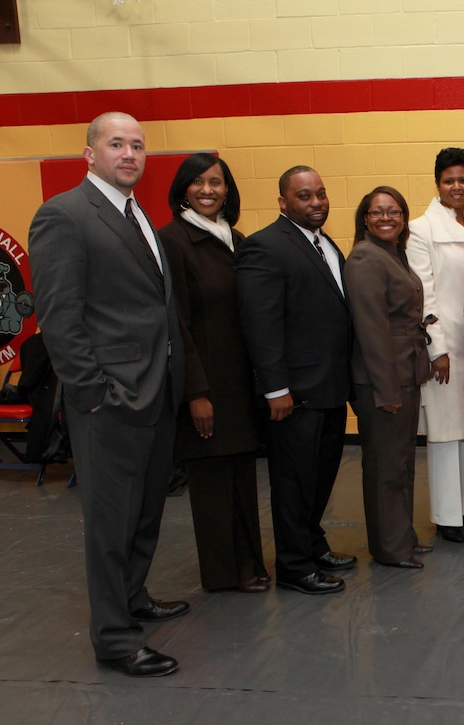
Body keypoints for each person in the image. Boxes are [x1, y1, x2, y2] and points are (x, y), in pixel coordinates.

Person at [29, 112, 186, 677]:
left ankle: (133, 596)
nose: (129, 154)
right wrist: (92, 392)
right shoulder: (64, 215)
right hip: (110, 399)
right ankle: (115, 638)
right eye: (116, 143)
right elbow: (59, 316)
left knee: (144, 511)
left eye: (137, 145)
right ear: (90, 154)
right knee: (111, 522)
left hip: (157, 391)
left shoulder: (140, 214)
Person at [236, 166, 355, 595]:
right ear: (283, 202)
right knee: (294, 482)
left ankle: (312, 545)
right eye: (305, 196)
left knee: (319, 477)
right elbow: (260, 324)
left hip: (330, 388)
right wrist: (276, 389)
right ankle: (293, 566)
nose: (316, 202)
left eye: (321, 193)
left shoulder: (326, 244)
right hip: (294, 394)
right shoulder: (265, 246)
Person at [158, 153, 269, 594]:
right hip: (205, 384)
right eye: (198, 182)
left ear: (228, 190)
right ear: (183, 189)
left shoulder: (235, 239)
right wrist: (195, 392)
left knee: (241, 477)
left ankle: (249, 564)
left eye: (216, 182)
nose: (208, 190)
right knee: (211, 485)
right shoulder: (173, 240)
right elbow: (177, 322)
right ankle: (224, 575)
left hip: (238, 382)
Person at [344, 187, 431, 570]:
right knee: (386, 467)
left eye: (394, 211)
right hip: (384, 379)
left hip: (404, 372)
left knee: (401, 463)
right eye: (377, 212)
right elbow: (371, 329)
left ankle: (400, 537)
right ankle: (390, 549)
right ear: (365, 218)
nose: (386, 218)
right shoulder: (365, 256)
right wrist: (387, 389)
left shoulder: (393, 253)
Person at [407, 147, 464, 543]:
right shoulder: (421, 230)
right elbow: (424, 295)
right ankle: (444, 516)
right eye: (448, 180)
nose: (457, 186)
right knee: (443, 431)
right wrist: (436, 350)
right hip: (446, 347)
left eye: (463, 179)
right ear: (437, 184)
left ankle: (460, 507)